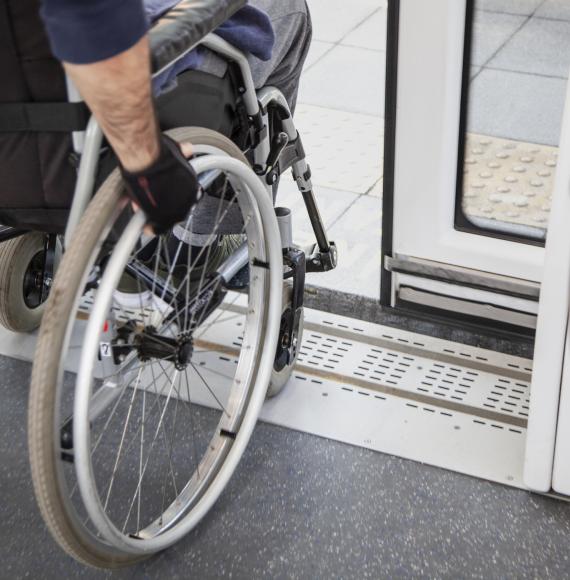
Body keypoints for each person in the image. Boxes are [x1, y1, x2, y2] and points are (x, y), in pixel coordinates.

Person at [38, 0, 312, 234]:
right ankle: (205, 241)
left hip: (25, 133)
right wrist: (146, 162)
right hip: (128, 92)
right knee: (290, 8)